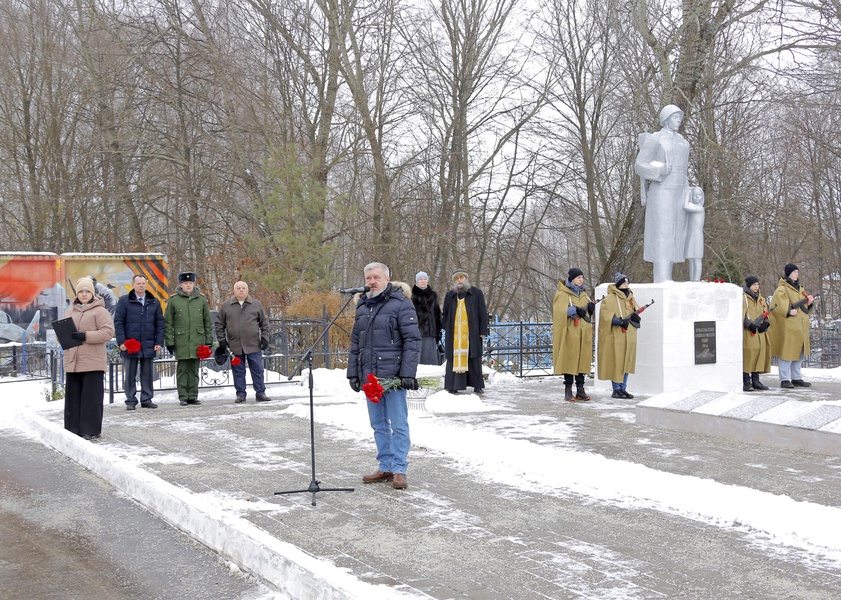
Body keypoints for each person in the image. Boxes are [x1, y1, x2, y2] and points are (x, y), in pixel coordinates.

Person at [347, 262, 421, 490]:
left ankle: (399, 469)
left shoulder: (401, 304)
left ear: (387, 279)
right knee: (378, 424)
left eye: (376, 277)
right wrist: (354, 373)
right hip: (370, 378)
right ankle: (385, 465)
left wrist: (407, 373)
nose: (371, 282)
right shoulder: (362, 306)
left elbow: (412, 340)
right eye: (368, 278)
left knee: (398, 424)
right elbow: (356, 343)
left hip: (395, 377)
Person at [634, 104, 691, 283]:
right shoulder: (656, 138)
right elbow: (640, 165)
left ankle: (669, 274)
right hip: (662, 189)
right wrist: (659, 171)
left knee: (677, 232)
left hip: (680, 189)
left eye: (680, 118)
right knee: (663, 231)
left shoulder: (682, 140)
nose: (678, 121)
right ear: (666, 119)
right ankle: (662, 277)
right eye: (675, 118)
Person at [62, 277, 115, 440]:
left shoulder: (100, 311)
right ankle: (73, 428)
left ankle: (90, 429)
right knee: (74, 398)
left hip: (92, 362)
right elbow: (63, 332)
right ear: (77, 294)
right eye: (81, 291)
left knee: (91, 399)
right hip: (73, 361)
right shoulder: (70, 311)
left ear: (92, 293)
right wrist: (63, 337)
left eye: (87, 291)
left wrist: (85, 335)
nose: (84, 294)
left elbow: (108, 332)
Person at [215, 281, 272, 403]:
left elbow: (264, 323)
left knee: (257, 369)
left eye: (243, 288)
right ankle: (240, 394)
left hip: (253, 344)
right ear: (234, 291)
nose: (241, 290)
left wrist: (265, 338)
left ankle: (260, 393)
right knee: (238, 371)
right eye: (238, 288)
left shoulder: (256, 305)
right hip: (235, 346)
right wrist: (222, 341)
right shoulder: (226, 306)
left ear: (247, 290)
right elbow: (219, 324)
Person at [114, 273, 164, 410]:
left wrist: (159, 342)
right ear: (133, 285)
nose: (141, 286)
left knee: (147, 374)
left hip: (148, 343)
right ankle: (130, 400)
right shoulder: (124, 301)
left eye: (143, 283)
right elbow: (118, 322)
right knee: (130, 374)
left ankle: (147, 399)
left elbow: (160, 323)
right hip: (131, 344)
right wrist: (122, 342)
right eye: (138, 283)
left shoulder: (154, 301)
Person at [164, 271, 213, 406]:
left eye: (190, 283)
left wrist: (209, 340)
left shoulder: (201, 299)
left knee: (194, 369)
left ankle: (193, 395)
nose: (188, 285)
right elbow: (168, 323)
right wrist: (169, 342)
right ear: (180, 285)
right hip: (182, 340)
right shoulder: (173, 300)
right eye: (186, 283)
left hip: (197, 339)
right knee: (182, 370)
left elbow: (207, 322)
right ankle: (183, 396)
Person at [441, 269, 489, 394]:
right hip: (455, 335)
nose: (459, 280)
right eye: (457, 278)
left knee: (473, 358)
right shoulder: (450, 295)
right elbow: (444, 314)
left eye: (461, 278)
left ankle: (477, 385)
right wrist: (447, 326)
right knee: (454, 358)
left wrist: (483, 330)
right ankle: (453, 385)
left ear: (466, 279)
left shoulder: (476, 293)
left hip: (471, 333)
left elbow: (483, 313)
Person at [769, 264, 815, 389]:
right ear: (788, 273)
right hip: (789, 327)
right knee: (787, 353)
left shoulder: (800, 288)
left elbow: (804, 309)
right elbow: (776, 306)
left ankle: (796, 377)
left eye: (797, 272)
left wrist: (809, 304)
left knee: (799, 353)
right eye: (794, 272)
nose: (797, 274)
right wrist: (788, 312)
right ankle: (784, 379)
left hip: (801, 327)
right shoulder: (782, 289)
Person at [553, 268, 594, 402]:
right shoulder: (563, 293)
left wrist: (590, 310)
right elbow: (559, 311)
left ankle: (580, 389)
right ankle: (568, 389)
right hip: (571, 332)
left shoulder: (583, 293)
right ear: (572, 279)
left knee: (582, 360)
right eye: (578, 278)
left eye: (582, 277)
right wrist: (574, 310)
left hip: (583, 332)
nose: (581, 280)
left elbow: (586, 312)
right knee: (570, 360)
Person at [597, 273, 639, 399]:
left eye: (627, 283)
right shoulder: (610, 298)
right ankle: (616, 388)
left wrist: (636, 318)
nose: (626, 285)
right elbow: (605, 316)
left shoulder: (630, 297)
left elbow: (634, 310)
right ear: (619, 284)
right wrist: (619, 321)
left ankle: (623, 387)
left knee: (626, 362)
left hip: (629, 334)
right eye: (624, 283)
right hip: (616, 335)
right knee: (617, 362)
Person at [742, 275, 771, 392]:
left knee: (759, 354)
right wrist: (749, 325)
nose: (757, 287)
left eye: (758, 284)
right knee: (748, 356)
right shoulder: (743, 298)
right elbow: (741, 315)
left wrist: (766, 323)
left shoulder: (761, 299)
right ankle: (746, 381)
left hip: (759, 332)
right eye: (754, 285)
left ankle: (756, 380)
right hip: (748, 332)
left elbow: (766, 313)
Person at [411, 271, 443, 365]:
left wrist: (438, 330)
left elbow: (437, 313)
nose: (423, 281)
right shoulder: (412, 296)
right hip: (417, 331)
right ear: (417, 281)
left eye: (424, 279)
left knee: (431, 358)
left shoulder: (433, 295)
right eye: (420, 279)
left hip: (431, 331)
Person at [683, 186, 705, 281]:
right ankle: (692, 280)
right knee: (691, 259)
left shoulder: (700, 208)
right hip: (691, 235)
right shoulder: (693, 206)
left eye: (699, 195)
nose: (697, 197)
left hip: (697, 236)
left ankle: (696, 280)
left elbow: (685, 206)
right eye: (694, 195)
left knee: (697, 258)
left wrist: (687, 192)